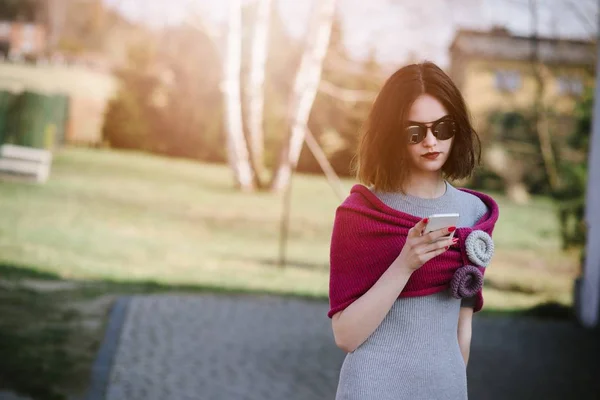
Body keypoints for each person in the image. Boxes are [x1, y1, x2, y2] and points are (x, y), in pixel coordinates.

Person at [328, 61, 500, 400]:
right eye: (415, 133)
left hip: (444, 387)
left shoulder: (475, 214)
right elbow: (345, 336)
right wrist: (405, 263)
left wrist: (452, 382)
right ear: (394, 135)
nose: (431, 141)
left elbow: (462, 326)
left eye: (443, 127)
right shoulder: (361, 215)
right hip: (372, 387)